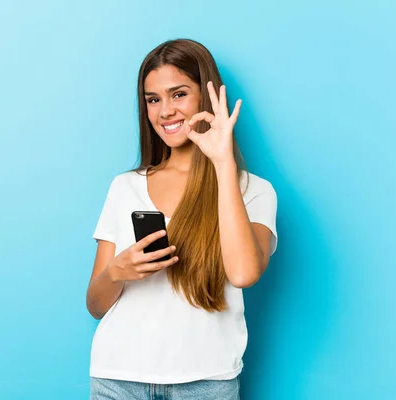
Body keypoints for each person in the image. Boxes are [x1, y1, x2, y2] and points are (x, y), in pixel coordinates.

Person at [86, 38, 278, 400]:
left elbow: (243, 273)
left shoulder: (254, 191)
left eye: (179, 94)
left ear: (206, 98)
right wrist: (118, 271)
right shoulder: (125, 187)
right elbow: (95, 305)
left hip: (205, 382)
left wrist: (223, 163)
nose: (165, 111)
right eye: (153, 99)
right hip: (117, 378)